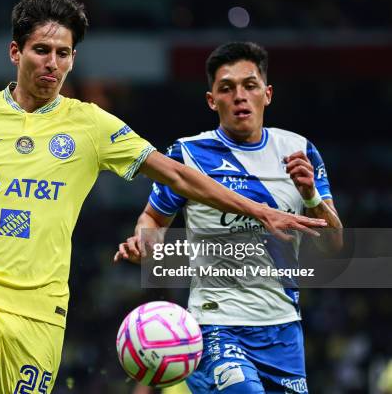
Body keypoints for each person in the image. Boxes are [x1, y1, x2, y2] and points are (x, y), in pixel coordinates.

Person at [0, 0, 325, 392]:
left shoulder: (93, 126)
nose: (52, 63)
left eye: (63, 53)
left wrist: (261, 211)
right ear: (16, 51)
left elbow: (177, 175)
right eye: (41, 50)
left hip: (42, 306)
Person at [116, 42, 343, 393]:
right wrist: (144, 245)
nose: (240, 96)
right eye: (227, 88)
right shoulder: (188, 154)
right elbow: (152, 221)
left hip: (283, 330)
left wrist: (311, 195)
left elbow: (334, 245)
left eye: (249, 86)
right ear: (212, 100)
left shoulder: (299, 150)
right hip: (215, 325)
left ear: (267, 94)